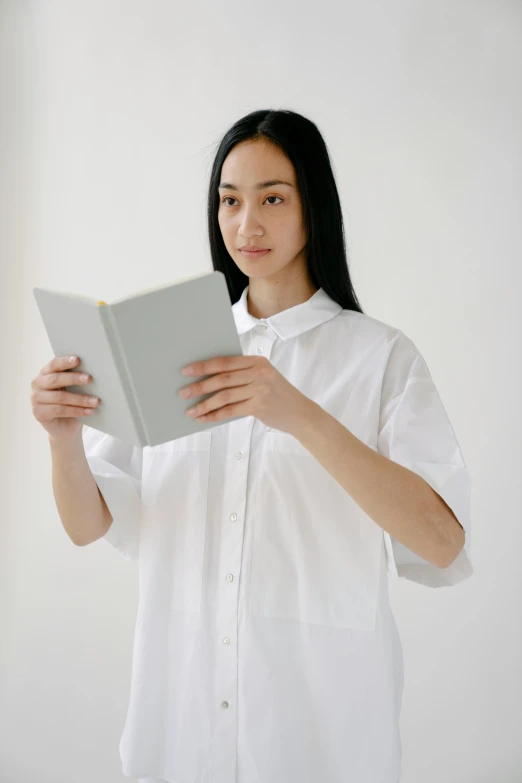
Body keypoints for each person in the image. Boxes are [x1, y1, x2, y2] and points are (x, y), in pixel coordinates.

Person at [31, 109, 473, 783]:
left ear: (312, 206)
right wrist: (64, 441)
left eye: (272, 198)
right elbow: (90, 524)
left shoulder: (380, 356)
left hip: (319, 741)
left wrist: (295, 411)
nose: (246, 224)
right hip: (175, 734)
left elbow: (442, 543)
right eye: (230, 201)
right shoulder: (166, 348)